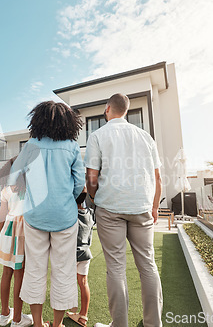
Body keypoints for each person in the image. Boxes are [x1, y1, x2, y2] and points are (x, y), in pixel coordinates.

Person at [84, 93, 163, 327]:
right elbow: (158, 177)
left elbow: (91, 176)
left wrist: (94, 198)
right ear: (126, 111)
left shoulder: (97, 135)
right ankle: (153, 324)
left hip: (110, 207)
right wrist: (155, 205)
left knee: (116, 268)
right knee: (148, 265)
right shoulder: (146, 137)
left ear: (108, 109)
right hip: (141, 207)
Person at [8, 101, 85, 327]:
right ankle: (58, 324)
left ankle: (39, 323)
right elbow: (80, 183)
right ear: (67, 122)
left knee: (35, 271)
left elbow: (14, 176)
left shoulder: (31, 145)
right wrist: (67, 199)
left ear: (38, 120)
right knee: (63, 271)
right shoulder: (71, 146)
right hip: (65, 218)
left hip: (35, 217)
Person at [0, 157, 33, 327]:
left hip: (7, 233)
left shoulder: (5, 189)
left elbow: (1, 217)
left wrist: (1, 239)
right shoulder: (29, 188)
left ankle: (4, 315)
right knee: (19, 275)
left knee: (6, 273)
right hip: (23, 232)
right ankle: (17, 319)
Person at [66, 188, 94, 327]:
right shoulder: (90, 213)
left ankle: (68, 311)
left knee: (65, 283)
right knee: (83, 283)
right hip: (85, 254)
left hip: (71, 255)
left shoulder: (70, 214)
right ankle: (83, 316)